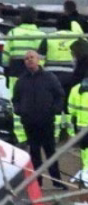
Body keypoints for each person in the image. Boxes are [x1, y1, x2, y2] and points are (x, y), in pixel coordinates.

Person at [12, 50, 66, 189]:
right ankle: (37, 183)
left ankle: (57, 182)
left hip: (46, 121)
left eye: (32, 57)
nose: (29, 60)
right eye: (26, 59)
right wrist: (19, 110)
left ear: (38, 60)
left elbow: (60, 95)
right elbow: (15, 99)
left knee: (50, 152)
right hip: (29, 123)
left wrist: (55, 110)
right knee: (34, 154)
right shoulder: (21, 80)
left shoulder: (49, 77)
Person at [2, 8, 44, 142]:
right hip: (35, 74)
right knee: (36, 103)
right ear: (35, 18)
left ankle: (21, 137)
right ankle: (36, 134)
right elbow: (43, 58)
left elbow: (5, 57)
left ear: (21, 18)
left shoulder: (13, 33)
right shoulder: (41, 34)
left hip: (16, 74)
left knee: (18, 104)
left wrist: (6, 74)